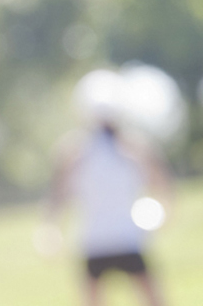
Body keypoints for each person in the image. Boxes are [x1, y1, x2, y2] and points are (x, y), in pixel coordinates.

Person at [43, 117, 174, 306]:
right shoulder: (119, 148)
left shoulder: (83, 151)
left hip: (117, 238)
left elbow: (59, 191)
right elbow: (159, 177)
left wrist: (51, 224)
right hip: (106, 239)